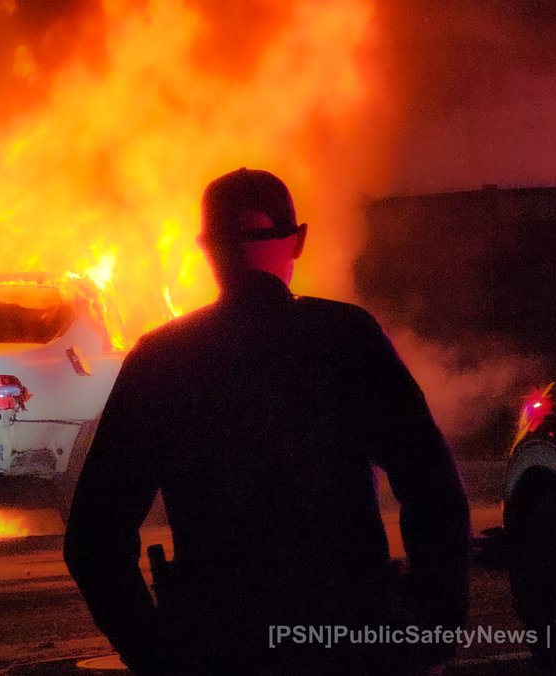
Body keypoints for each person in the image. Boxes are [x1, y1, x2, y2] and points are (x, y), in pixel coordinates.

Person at [63, 168, 471, 675]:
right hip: (348, 641)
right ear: (298, 241)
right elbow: (432, 488)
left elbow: (93, 537)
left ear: (205, 247)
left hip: (219, 646)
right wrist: (432, 623)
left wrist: (154, 651)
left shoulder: (162, 360)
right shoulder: (345, 338)